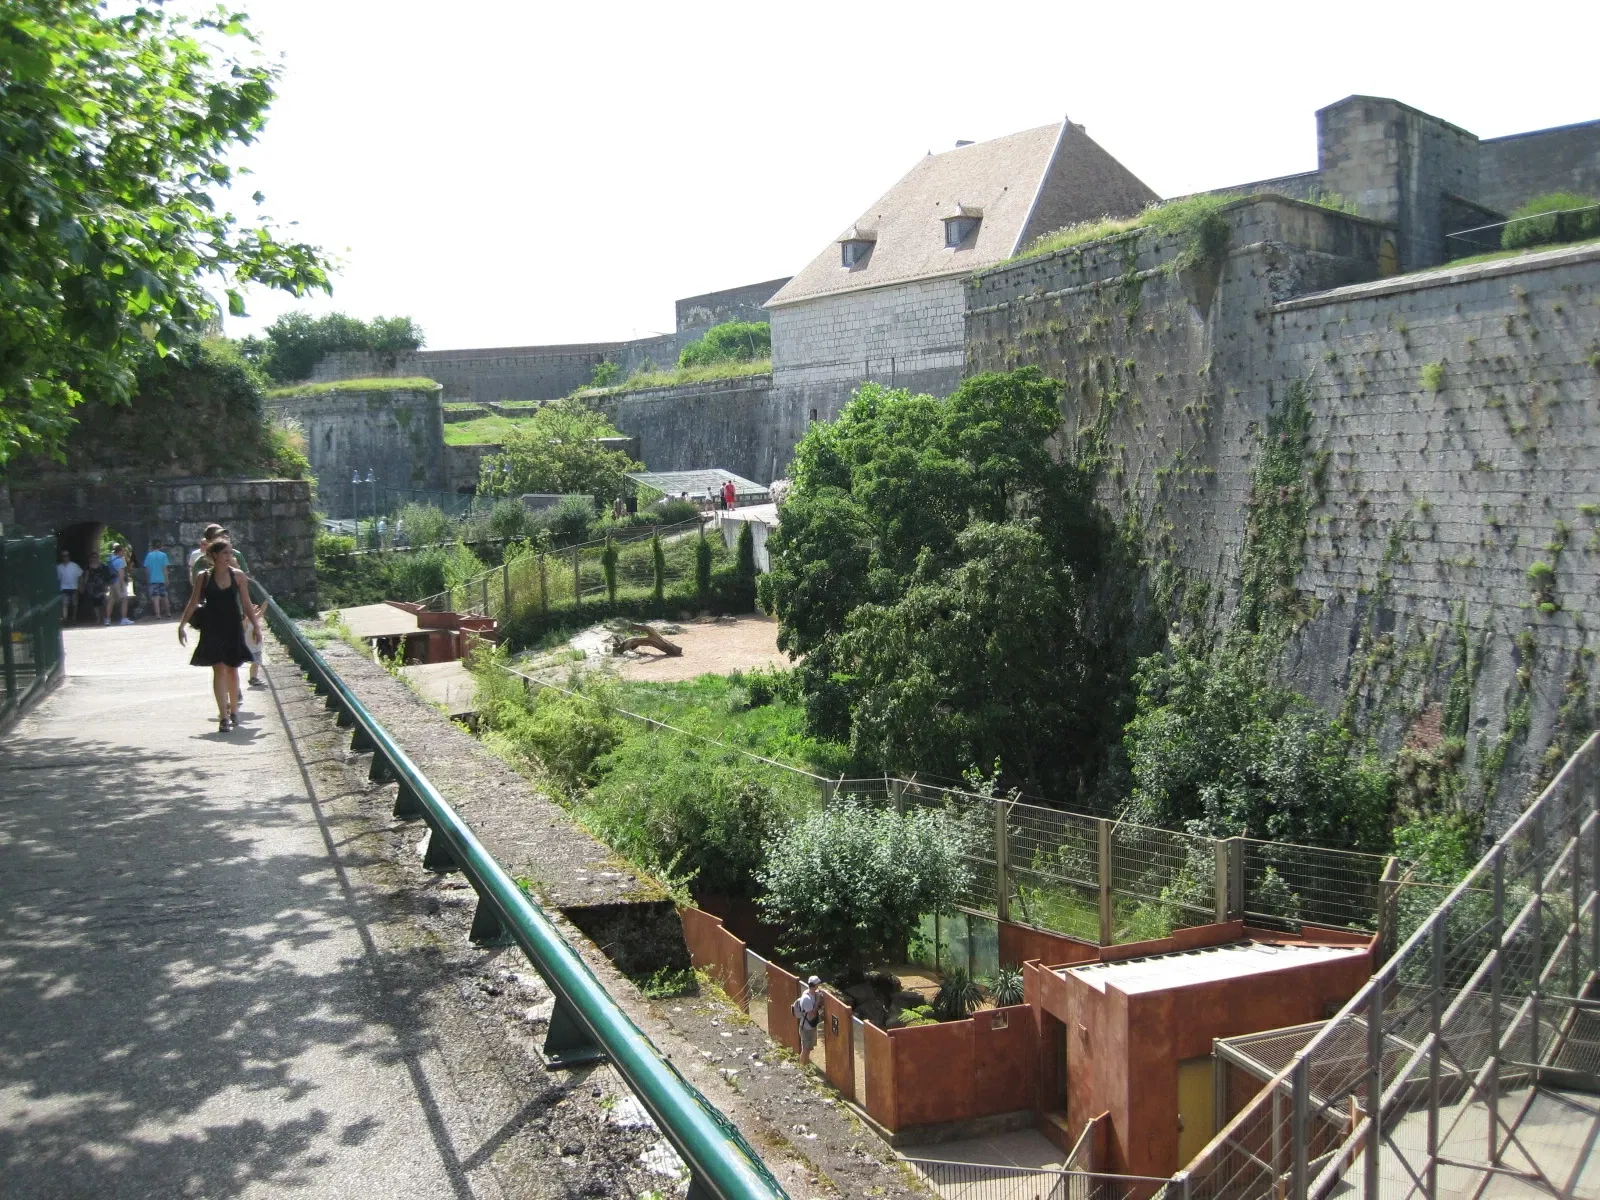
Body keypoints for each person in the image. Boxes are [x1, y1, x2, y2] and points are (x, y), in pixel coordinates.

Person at [178, 541, 261, 732]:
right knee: (219, 669)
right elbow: (193, 602)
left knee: (232, 669)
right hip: (212, 627)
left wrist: (256, 626)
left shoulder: (238, 576)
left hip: (233, 626)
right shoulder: (203, 577)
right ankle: (223, 716)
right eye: (225, 553)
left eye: (230, 553)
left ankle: (234, 711)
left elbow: (247, 603)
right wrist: (182, 624)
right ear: (214, 555)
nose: (229, 556)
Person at [792, 976, 824, 1067]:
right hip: (806, 1028)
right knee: (805, 1049)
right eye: (818, 984)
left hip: (811, 1027)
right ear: (815, 985)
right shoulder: (806, 998)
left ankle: (805, 1065)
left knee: (809, 1048)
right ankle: (802, 1067)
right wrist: (818, 1001)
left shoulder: (812, 994)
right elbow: (812, 1015)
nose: (819, 986)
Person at [82, 552, 114, 626]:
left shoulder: (103, 567)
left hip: (102, 587)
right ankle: (98, 618)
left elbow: (108, 577)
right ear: (90, 558)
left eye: (96, 557)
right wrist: (84, 585)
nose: (94, 558)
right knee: (95, 604)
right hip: (92, 588)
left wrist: (109, 585)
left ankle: (104, 617)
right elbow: (85, 578)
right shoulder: (88, 568)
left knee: (104, 602)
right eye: (92, 557)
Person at [142, 542, 171, 619]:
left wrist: (148, 579)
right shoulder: (163, 555)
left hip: (152, 579)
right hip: (162, 579)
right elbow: (165, 569)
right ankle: (168, 612)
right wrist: (167, 579)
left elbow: (146, 569)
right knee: (165, 596)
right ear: (160, 546)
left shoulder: (149, 555)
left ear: (152, 547)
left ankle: (158, 615)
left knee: (155, 597)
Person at [108, 543, 133, 625]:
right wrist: (123, 585)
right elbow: (121, 574)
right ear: (119, 551)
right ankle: (123, 618)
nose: (124, 553)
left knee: (112, 600)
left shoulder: (110, 559)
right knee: (124, 599)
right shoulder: (120, 561)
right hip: (118, 582)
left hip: (112, 582)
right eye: (123, 551)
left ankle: (107, 619)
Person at [56, 550, 83, 623]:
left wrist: (81, 585)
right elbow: (57, 578)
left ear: (69, 556)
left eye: (67, 555)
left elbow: (80, 576)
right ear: (61, 557)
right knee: (65, 604)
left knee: (74, 605)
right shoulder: (58, 567)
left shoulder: (75, 566)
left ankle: (74, 617)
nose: (65, 557)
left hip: (74, 588)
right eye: (64, 556)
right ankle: (65, 619)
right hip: (63, 588)